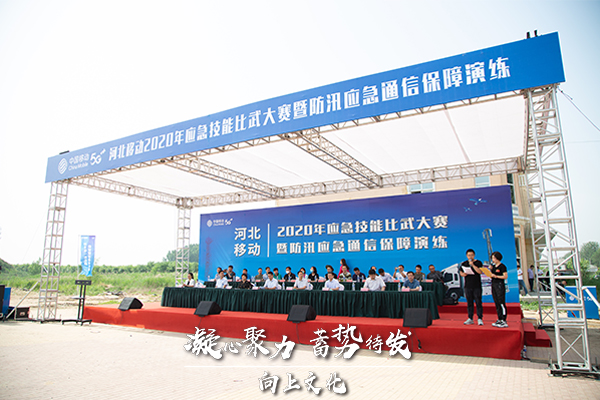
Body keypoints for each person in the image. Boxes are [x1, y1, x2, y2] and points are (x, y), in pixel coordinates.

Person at [460, 249, 484, 326]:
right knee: (469, 302)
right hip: (468, 286)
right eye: (469, 255)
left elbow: (480, 272)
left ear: (474, 255)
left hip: (476, 285)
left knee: (478, 302)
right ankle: (470, 318)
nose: (470, 256)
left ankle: (479, 318)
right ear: (466, 256)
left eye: (471, 255)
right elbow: (461, 272)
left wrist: (473, 265)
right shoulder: (464, 263)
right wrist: (463, 274)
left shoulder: (478, 262)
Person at [491, 251, 509, 328]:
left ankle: (504, 320)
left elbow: (505, 276)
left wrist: (496, 276)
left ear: (497, 258)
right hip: (494, 284)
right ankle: (499, 318)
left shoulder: (502, 266)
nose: (492, 260)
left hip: (500, 285)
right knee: (497, 302)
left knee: (501, 302)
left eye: (493, 258)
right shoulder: (493, 267)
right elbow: (491, 275)